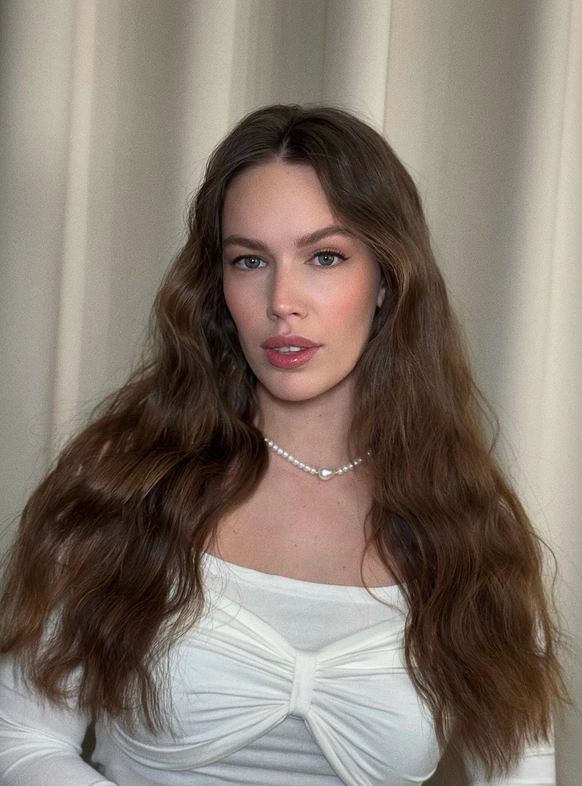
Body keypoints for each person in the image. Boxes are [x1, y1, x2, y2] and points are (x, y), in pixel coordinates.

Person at [0, 104, 569, 786]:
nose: (282, 300)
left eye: (324, 257)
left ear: (386, 281)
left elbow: (519, 771)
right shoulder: (124, 481)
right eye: (249, 260)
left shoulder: (470, 523)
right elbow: (21, 740)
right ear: (219, 285)